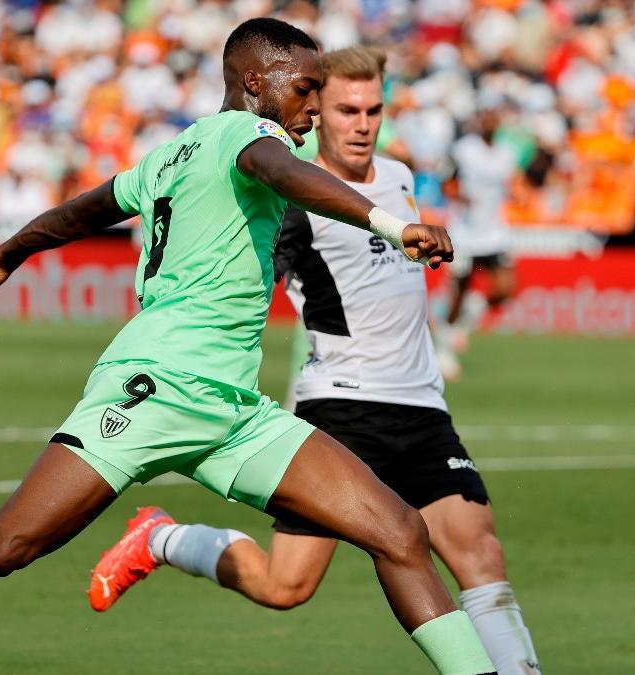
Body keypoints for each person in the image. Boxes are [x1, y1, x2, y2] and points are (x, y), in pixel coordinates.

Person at [0, 19, 495, 674]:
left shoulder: (175, 153)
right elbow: (277, 169)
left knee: (398, 531)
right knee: (2, 543)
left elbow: (92, 205)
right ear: (256, 82)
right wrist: (393, 222)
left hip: (228, 407)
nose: (315, 109)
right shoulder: (246, 136)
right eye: (305, 90)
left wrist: (11, 250)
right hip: (152, 386)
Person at [89, 45, 541, 675]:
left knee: (481, 556)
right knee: (286, 586)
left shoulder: (402, 179)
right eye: (347, 110)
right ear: (316, 111)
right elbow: (244, 277)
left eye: (374, 109)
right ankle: (162, 537)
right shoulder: (291, 195)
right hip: (340, 407)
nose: (362, 123)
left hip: (421, 408)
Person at [435, 101, 518, 380]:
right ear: (480, 120)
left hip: (494, 231)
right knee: (458, 290)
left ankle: (471, 314)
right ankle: (444, 350)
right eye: (487, 116)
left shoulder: (506, 152)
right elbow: (446, 182)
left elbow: (508, 185)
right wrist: (460, 197)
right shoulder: (464, 150)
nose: (490, 121)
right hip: (465, 232)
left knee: (505, 287)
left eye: (495, 117)